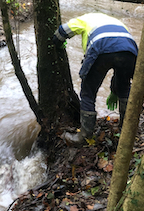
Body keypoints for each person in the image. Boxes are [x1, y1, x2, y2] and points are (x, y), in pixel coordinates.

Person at [53, 13, 138, 145]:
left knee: (88, 92)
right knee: (125, 87)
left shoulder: (85, 19)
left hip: (101, 47)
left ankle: (84, 136)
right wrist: (115, 91)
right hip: (129, 50)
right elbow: (117, 48)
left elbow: (62, 31)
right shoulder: (116, 21)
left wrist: (57, 44)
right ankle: (126, 130)